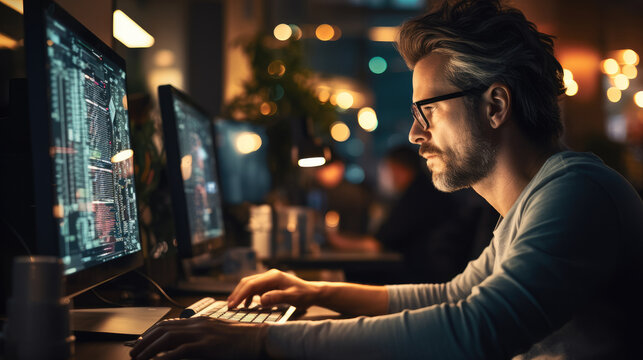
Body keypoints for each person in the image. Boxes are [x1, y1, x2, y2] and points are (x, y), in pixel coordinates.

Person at [130, 1, 643, 359]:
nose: (417, 135)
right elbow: (452, 296)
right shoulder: (539, 201)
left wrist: (263, 343)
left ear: (495, 105)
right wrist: (311, 292)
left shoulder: (578, 193)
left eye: (428, 110)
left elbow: (474, 330)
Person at [327, 144, 495, 284]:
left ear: (398, 168)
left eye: (388, 170)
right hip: (441, 272)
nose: (388, 176)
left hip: (425, 275)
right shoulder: (428, 189)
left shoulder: (417, 194)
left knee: (351, 276)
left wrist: (335, 240)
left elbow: (376, 244)